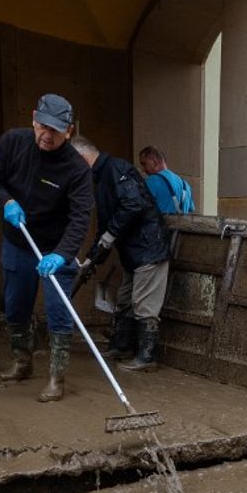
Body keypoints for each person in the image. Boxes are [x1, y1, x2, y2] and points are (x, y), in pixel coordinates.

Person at [0, 93, 93, 402]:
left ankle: (57, 378)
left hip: (56, 247)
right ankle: (22, 361)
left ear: (68, 130)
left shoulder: (77, 169)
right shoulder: (13, 142)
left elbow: (80, 218)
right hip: (19, 240)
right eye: (42, 126)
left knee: (59, 311)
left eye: (55, 130)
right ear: (33, 118)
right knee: (15, 305)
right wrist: (6, 201)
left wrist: (62, 254)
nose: (47, 135)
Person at [72, 136, 172, 372]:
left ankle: (147, 358)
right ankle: (122, 346)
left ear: (81, 158)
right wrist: (92, 258)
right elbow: (106, 224)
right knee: (125, 300)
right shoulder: (101, 178)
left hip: (148, 248)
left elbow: (133, 204)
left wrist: (110, 235)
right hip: (132, 253)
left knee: (143, 304)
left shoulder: (116, 169)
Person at [138, 146, 195, 215]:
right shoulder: (185, 185)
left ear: (154, 161)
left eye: (144, 164)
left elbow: (138, 208)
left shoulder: (153, 180)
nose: (143, 169)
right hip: (180, 225)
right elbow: (191, 211)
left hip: (160, 225)